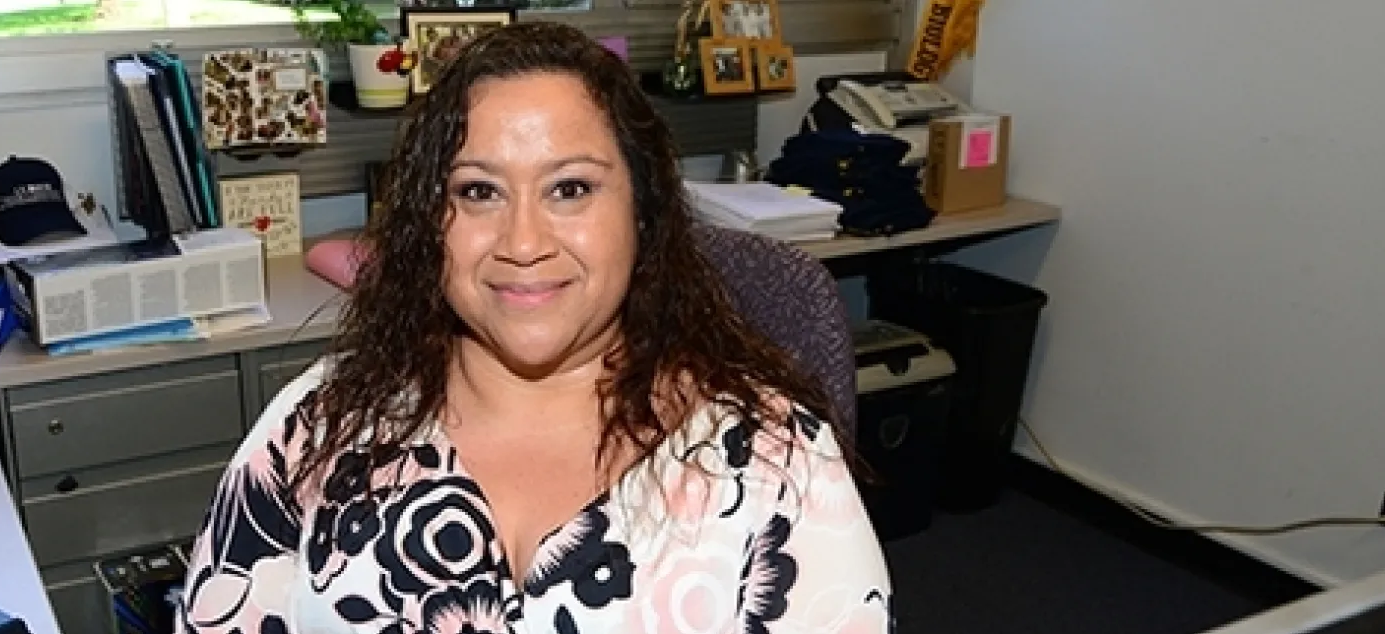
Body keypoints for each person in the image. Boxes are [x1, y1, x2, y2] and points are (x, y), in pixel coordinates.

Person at [178, 21, 891, 634]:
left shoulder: (772, 462)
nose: (522, 242)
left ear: (643, 214)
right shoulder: (317, 429)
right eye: (478, 191)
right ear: (432, 220)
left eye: (571, 188)